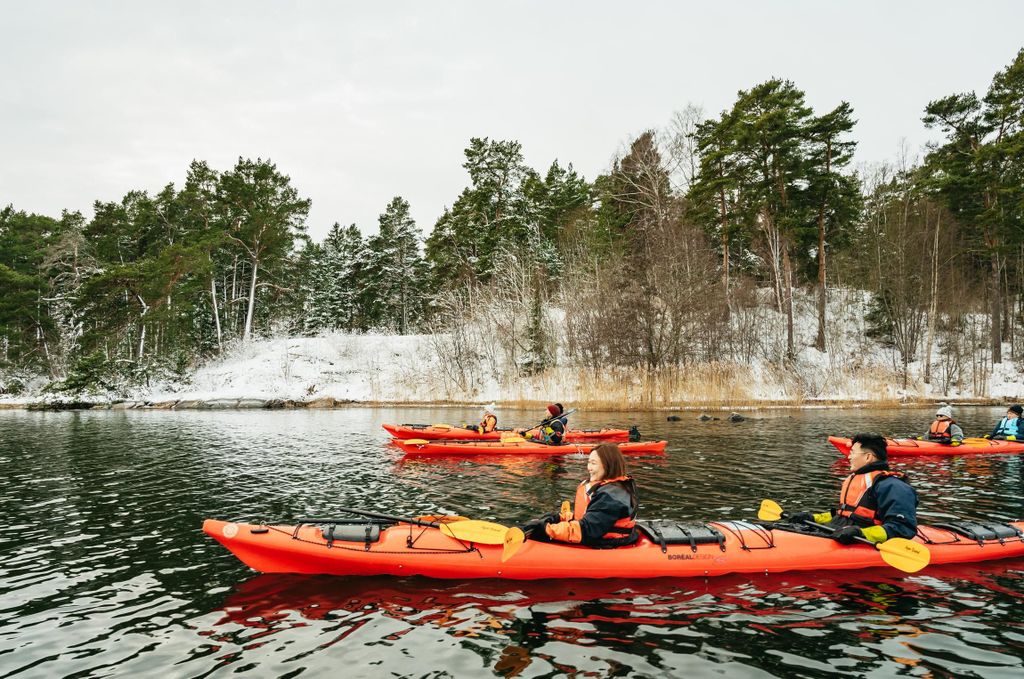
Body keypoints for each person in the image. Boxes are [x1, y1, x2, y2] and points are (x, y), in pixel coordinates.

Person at [792, 432, 917, 545]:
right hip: (839, 532)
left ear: (868, 457)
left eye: (852, 453)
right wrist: (813, 518)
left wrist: (862, 533)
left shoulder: (892, 486)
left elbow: (902, 528)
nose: (849, 457)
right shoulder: (855, 479)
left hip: (859, 539)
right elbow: (844, 516)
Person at [534, 443, 639, 547]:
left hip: (607, 544)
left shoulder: (611, 497)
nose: (589, 468)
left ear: (608, 465)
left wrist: (547, 530)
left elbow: (587, 530)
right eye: (589, 462)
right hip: (596, 536)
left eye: (593, 463)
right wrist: (557, 518)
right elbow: (588, 517)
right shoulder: (608, 488)